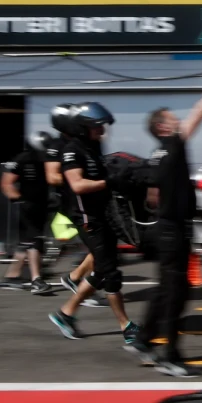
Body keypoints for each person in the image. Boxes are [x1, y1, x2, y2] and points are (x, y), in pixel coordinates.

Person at [130, 73, 202, 376]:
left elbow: (152, 197)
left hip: (164, 227)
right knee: (176, 293)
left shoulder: (155, 155)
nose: (179, 122)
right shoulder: (173, 143)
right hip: (173, 230)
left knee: (169, 287)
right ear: (162, 127)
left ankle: (144, 339)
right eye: (173, 119)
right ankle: (168, 354)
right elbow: (199, 114)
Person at [48, 102, 143, 344]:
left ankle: (65, 314)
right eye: (98, 127)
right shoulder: (72, 151)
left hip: (104, 214)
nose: (102, 132)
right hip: (88, 219)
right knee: (111, 273)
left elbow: (104, 176)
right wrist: (108, 183)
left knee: (101, 270)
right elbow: (77, 185)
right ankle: (126, 326)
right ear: (83, 127)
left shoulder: (94, 147)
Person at [46, 103, 100, 305]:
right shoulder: (56, 146)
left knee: (99, 250)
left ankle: (77, 279)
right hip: (70, 205)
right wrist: (77, 176)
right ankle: (76, 281)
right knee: (99, 249)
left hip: (89, 201)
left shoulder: (86, 142)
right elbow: (52, 177)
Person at [0, 131, 55, 294]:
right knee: (35, 241)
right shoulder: (22, 159)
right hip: (27, 206)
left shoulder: (48, 160)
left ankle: (12, 276)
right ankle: (36, 280)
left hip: (44, 205)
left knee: (26, 243)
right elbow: (6, 183)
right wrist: (19, 200)